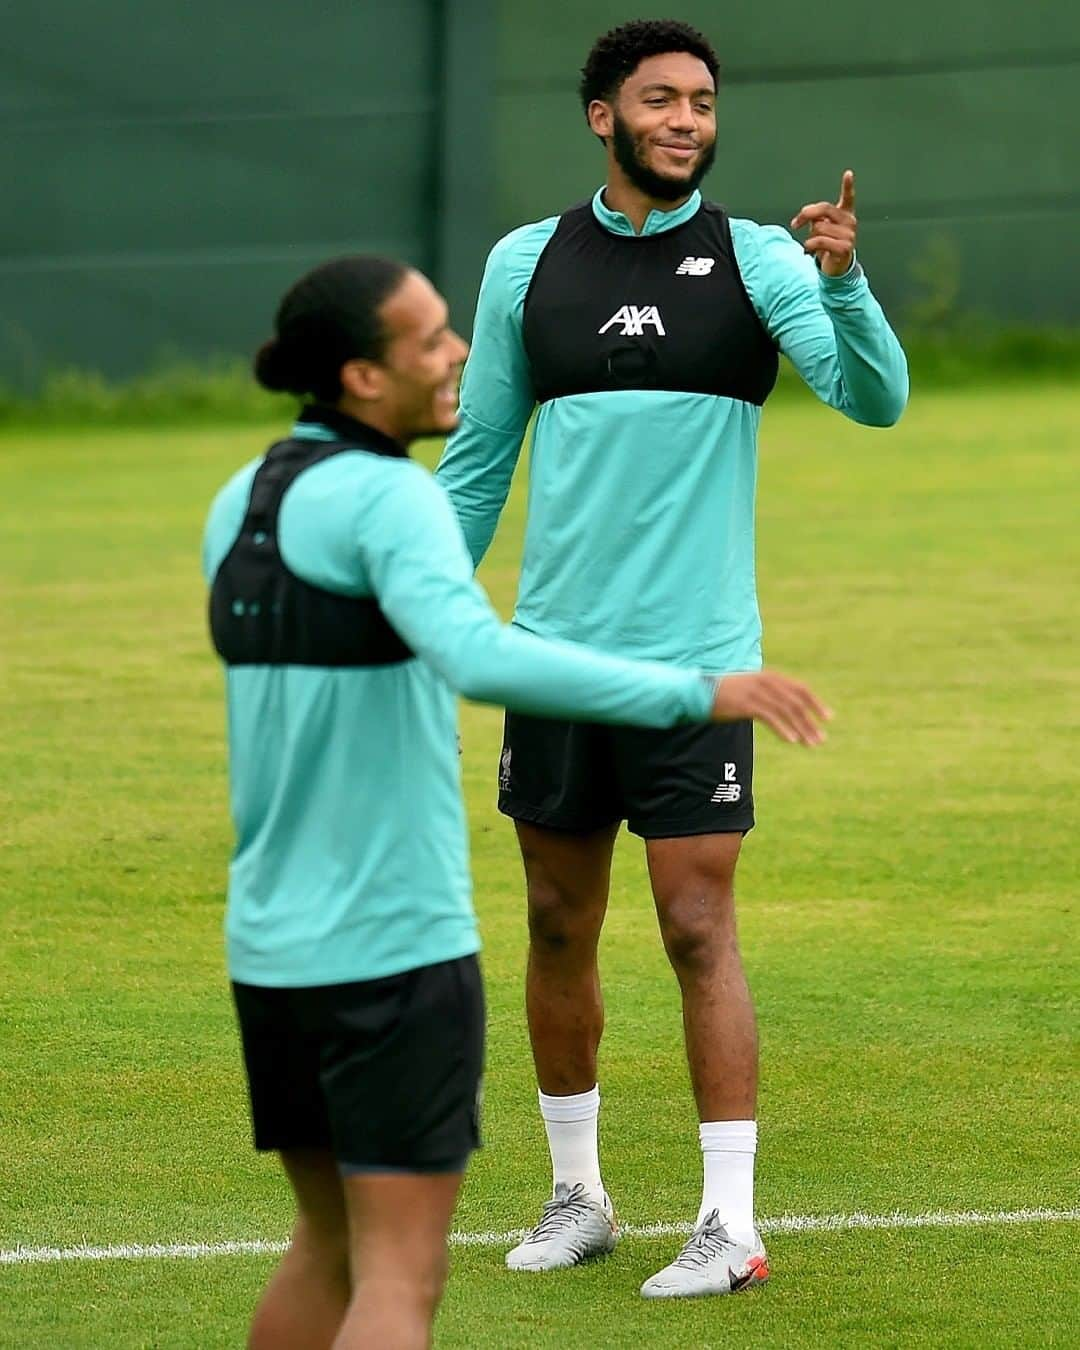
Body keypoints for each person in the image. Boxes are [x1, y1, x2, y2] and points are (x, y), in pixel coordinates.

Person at [202, 254, 830, 1349]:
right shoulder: (393, 498)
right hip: (391, 944)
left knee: (324, 1247)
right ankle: (584, 1199)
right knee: (397, 1280)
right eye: (431, 339)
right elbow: (479, 659)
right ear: (360, 376)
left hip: (268, 944)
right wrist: (700, 688)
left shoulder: (244, 498)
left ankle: (678, 1212)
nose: (461, 354)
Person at [434, 17, 908, 1299]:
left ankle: (729, 1223)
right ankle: (578, 1195)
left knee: (699, 926)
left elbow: (874, 399)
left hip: (700, 665)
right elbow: (478, 463)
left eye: (702, 100)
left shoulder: (760, 260)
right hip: (553, 663)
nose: (688, 119)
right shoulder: (525, 263)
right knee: (554, 921)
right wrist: (414, 605)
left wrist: (847, 285)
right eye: (661, 99)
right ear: (603, 116)